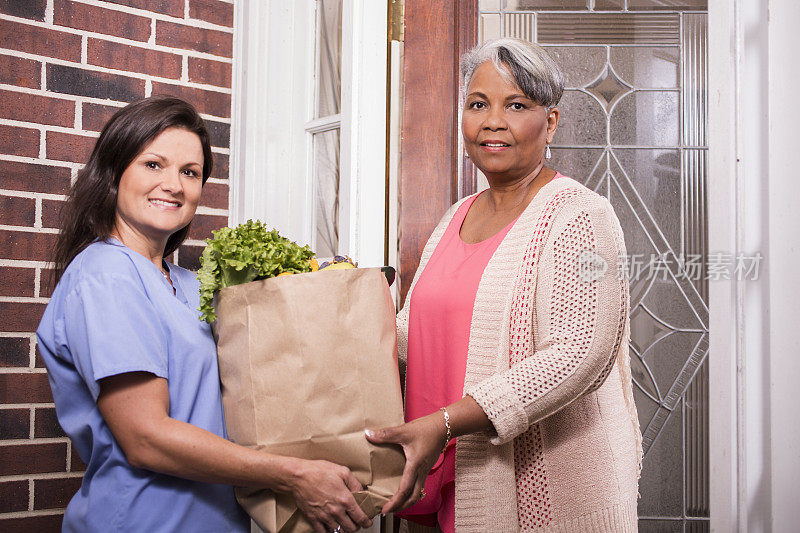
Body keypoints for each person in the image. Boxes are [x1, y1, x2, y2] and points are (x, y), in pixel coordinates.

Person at [37, 96, 372, 533]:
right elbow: (145, 438)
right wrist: (293, 474)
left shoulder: (191, 284)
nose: (174, 185)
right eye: (153, 165)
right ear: (114, 172)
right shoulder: (106, 275)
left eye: (189, 172)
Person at [366, 38, 642, 532]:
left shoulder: (581, 216)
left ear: (550, 121)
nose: (493, 121)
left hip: (530, 492)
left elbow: (579, 355)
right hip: (435, 481)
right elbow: (418, 332)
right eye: (478, 104)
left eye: (516, 105)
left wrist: (446, 424)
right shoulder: (455, 216)